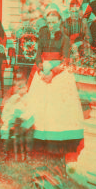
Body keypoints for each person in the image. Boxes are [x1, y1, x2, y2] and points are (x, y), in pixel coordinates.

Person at [28, 9, 84, 148]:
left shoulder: (64, 38)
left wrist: (52, 73)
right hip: (43, 70)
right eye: (49, 22)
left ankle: (60, 136)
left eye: (54, 22)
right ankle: (40, 136)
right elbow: (38, 55)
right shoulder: (43, 36)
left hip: (59, 71)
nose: (51, 25)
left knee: (57, 97)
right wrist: (41, 70)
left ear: (59, 22)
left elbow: (65, 60)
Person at [1, 70, 34, 161]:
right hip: (13, 120)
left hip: (25, 121)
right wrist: (7, 120)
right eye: (18, 88)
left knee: (28, 132)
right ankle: (6, 152)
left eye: (22, 87)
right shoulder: (13, 98)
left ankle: (27, 153)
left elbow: (31, 110)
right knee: (7, 131)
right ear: (15, 89)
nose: (21, 91)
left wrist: (24, 117)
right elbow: (7, 109)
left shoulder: (28, 98)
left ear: (27, 87)